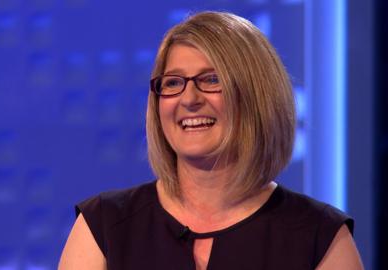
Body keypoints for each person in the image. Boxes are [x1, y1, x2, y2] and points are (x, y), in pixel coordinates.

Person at [58, 11, 363, 270]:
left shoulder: (320, 237)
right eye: (174, 82)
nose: (189, 99)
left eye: (211, 80)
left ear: (256, 96)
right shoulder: (105, 227)